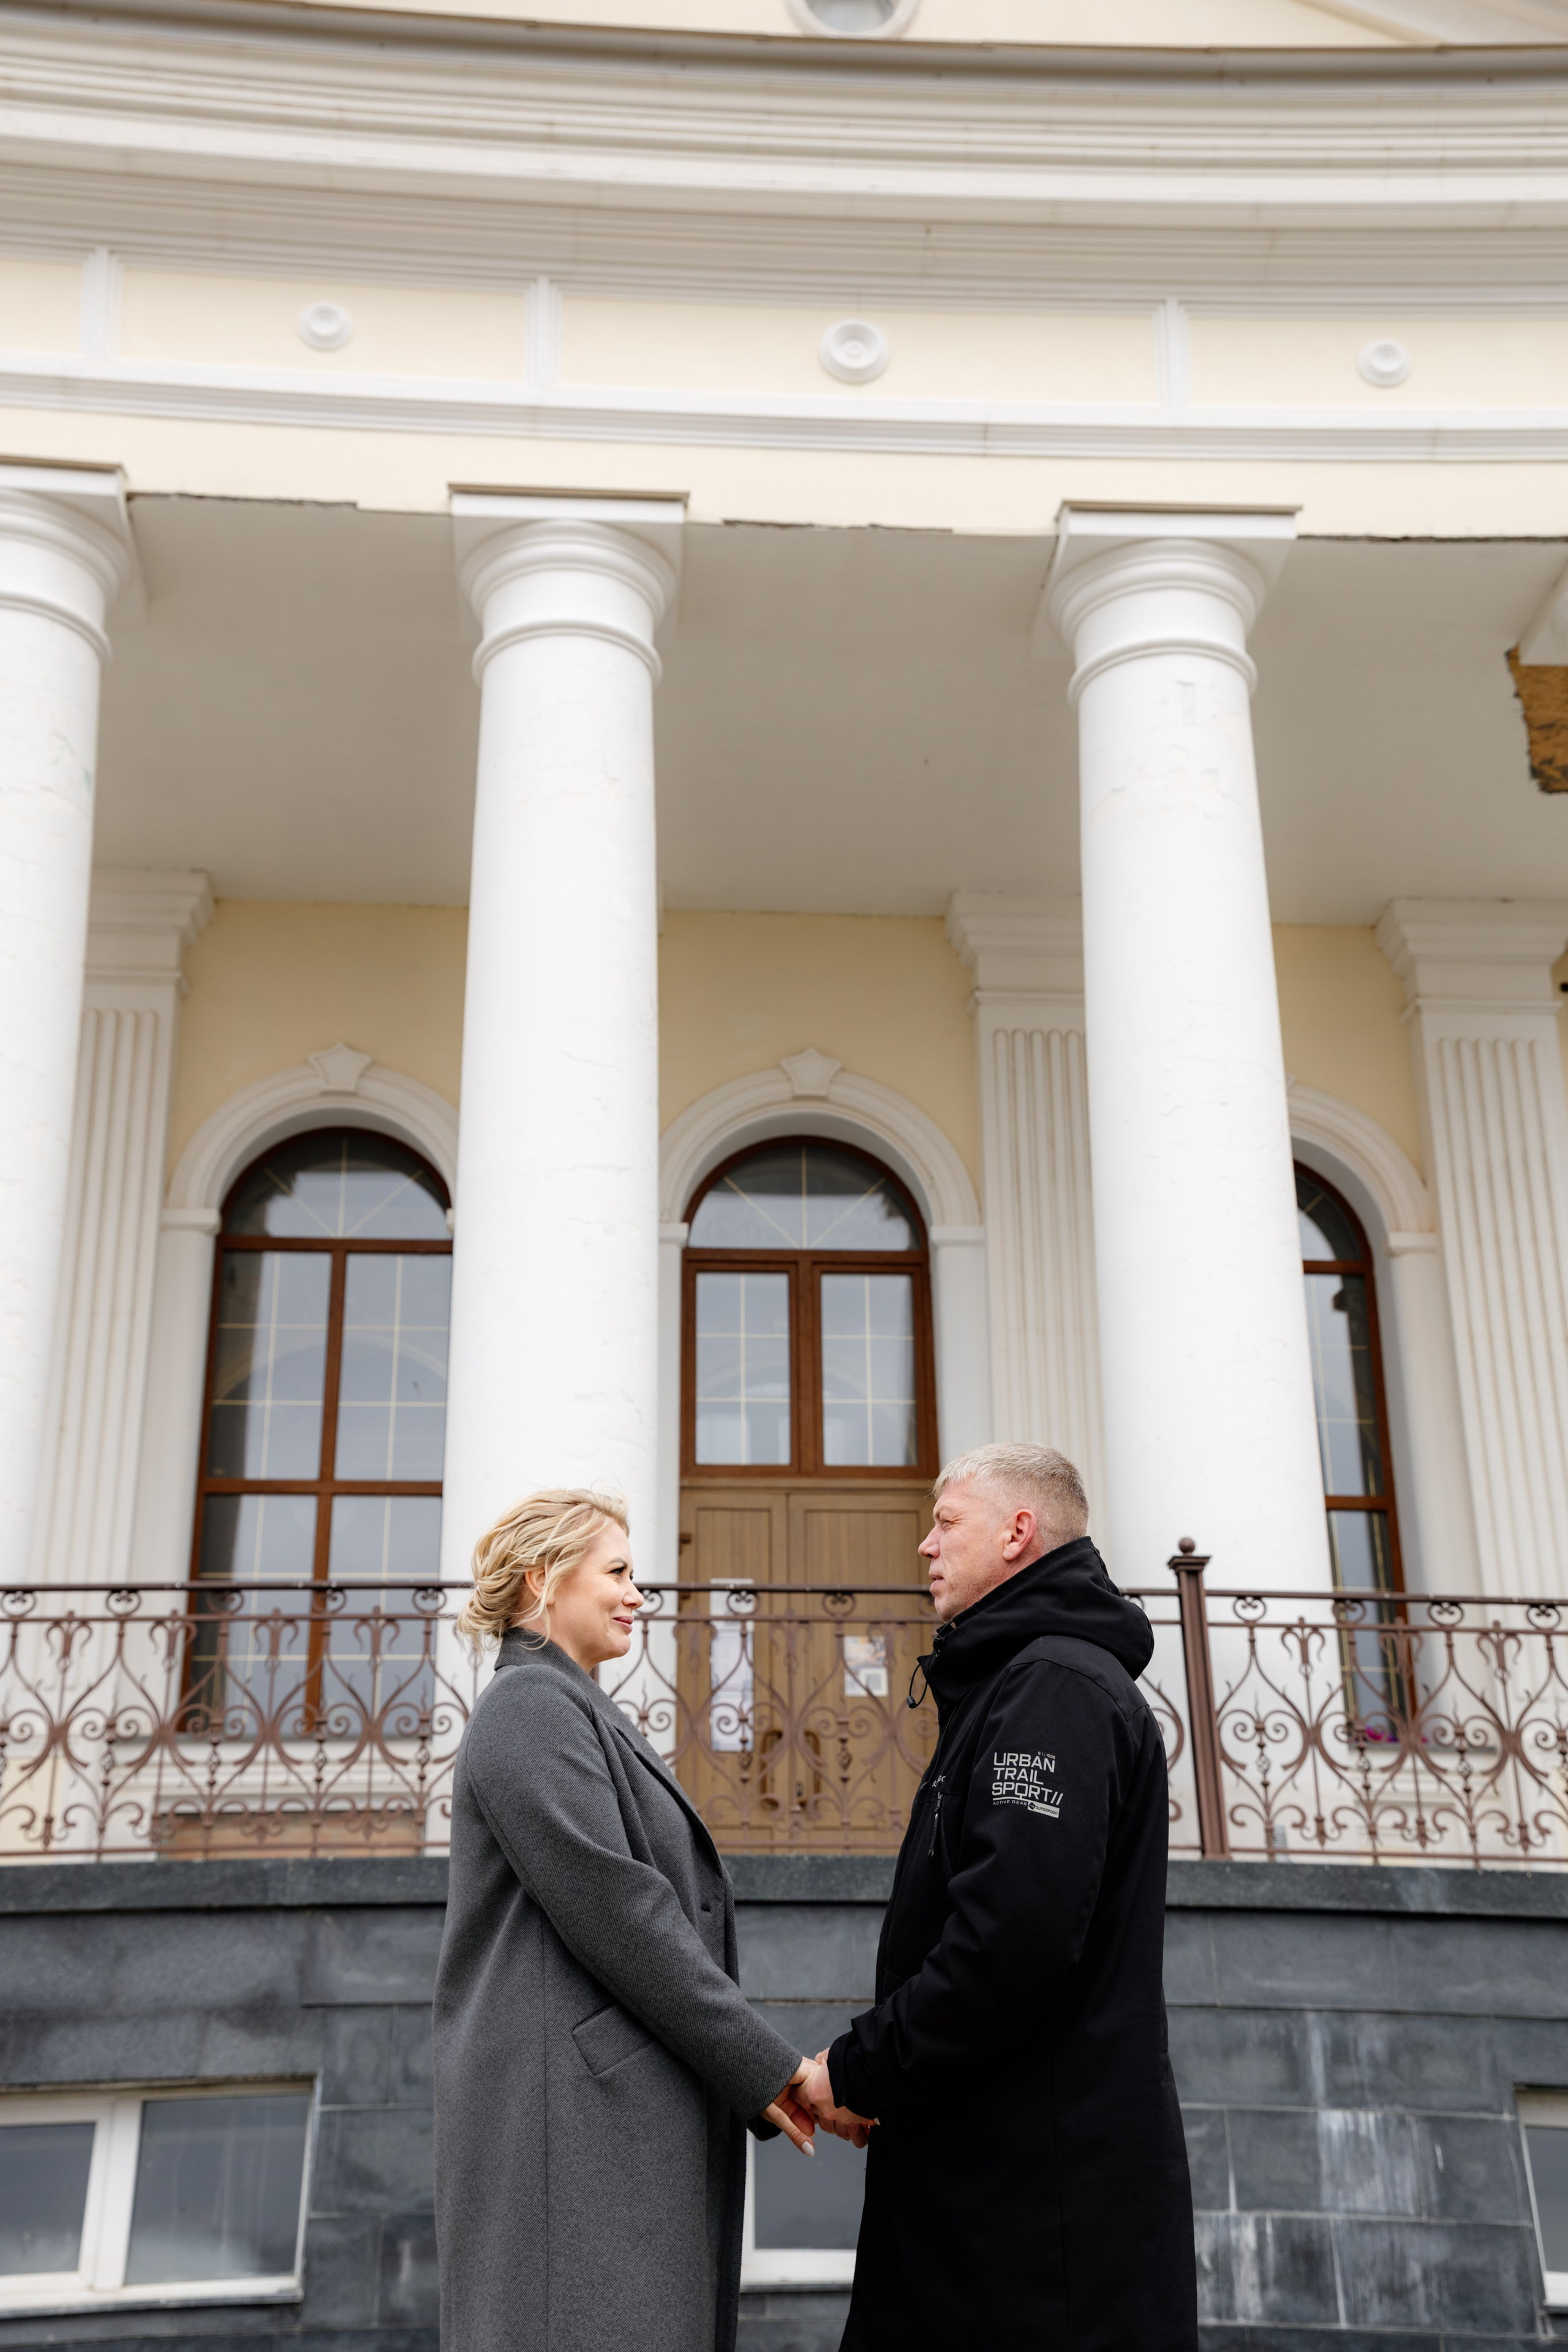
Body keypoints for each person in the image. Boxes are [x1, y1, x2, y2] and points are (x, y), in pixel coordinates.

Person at [792, 1441, 1199, 2352]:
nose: (925, 1547)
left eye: (946, 1522)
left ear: (1019, 1533)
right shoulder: (1021, 1684)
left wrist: (854, 2071)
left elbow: (1006, 1947)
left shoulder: (1052, 1690)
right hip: (992, 2210)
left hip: (1030, 2246)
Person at [432, 1488, 821, 2352]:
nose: (638, 1595)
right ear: (542, 1580)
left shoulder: (565, 1707)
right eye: (618, 1572)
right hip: (569, 2141)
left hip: (598, 2129)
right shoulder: (528, 1706)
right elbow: (623, 1914)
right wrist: (772, 2067)